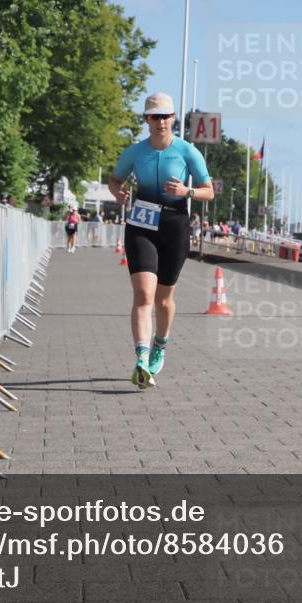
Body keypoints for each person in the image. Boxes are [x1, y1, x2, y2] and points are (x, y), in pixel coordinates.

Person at [108, 92, 214, 388]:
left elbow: (209, 190)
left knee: (164, 299)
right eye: (155, 116)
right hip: (141, 224)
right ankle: (141, 360)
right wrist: (117, 192)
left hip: (174, 224)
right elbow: (114, 179)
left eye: (166, 116)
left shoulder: (187, 151)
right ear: (147, 119)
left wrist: (187, 192)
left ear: (174, 119)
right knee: (143, 295)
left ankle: (159, 344)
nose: (161, 122)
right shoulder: (134, 152)